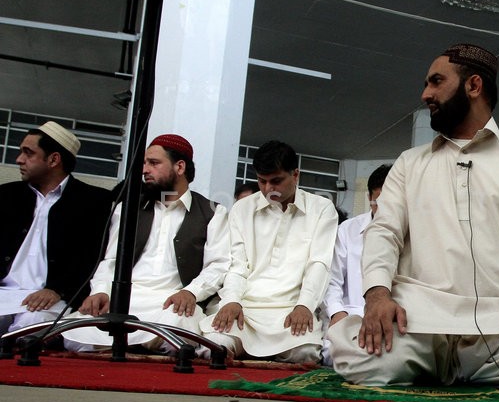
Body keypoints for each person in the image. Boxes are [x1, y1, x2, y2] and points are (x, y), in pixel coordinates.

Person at [328, 43, 499, 391]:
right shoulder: (410, 163)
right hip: (418, 320)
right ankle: (448, 367)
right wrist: (378, 295)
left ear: (473, 86)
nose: (426, 94)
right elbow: (384, 233)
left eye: (436, 81)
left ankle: (433, 372)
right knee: (353, 355)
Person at [62, 134, 229, 353]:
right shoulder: (127, 209)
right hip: (124, 300)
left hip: (171, 303)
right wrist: (101, 291)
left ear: (180, 167)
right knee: (75, 333)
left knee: (179, 329)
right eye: (144, 163)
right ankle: (139, 345)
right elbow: (111, 259)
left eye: (154, 163)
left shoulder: (213, 212)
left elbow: (218, 265)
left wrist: (191, 293)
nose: (144, 170)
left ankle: (123, 346)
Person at [201, 140, 338, 363]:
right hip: (247, 307)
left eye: (276, 181)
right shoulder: (242, 209)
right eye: (262, 181)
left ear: (296, 175)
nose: (267, 189)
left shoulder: (321, 209)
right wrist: (232, 301)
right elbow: (237, 264)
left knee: (305, 354)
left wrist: (304, 305)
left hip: (291, 307)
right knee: (215, 347)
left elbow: (319, 263)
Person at [0, 122, 113, 334]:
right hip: (4, 293)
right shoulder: (6, 196)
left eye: (28, 153)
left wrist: (57, 290)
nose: (19, 160)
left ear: (53, 159)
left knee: (30, 326)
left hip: (51, 298)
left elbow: (93, 259)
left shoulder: (94, 202)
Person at [320, 164, 391, 364]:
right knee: (338, 354)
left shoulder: (414, 232)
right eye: (380, 202)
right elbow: (331, 281)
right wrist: (336, 312)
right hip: (350, 316)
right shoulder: (348, 231)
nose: (388, 210)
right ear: (370, 198)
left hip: (391, 321)